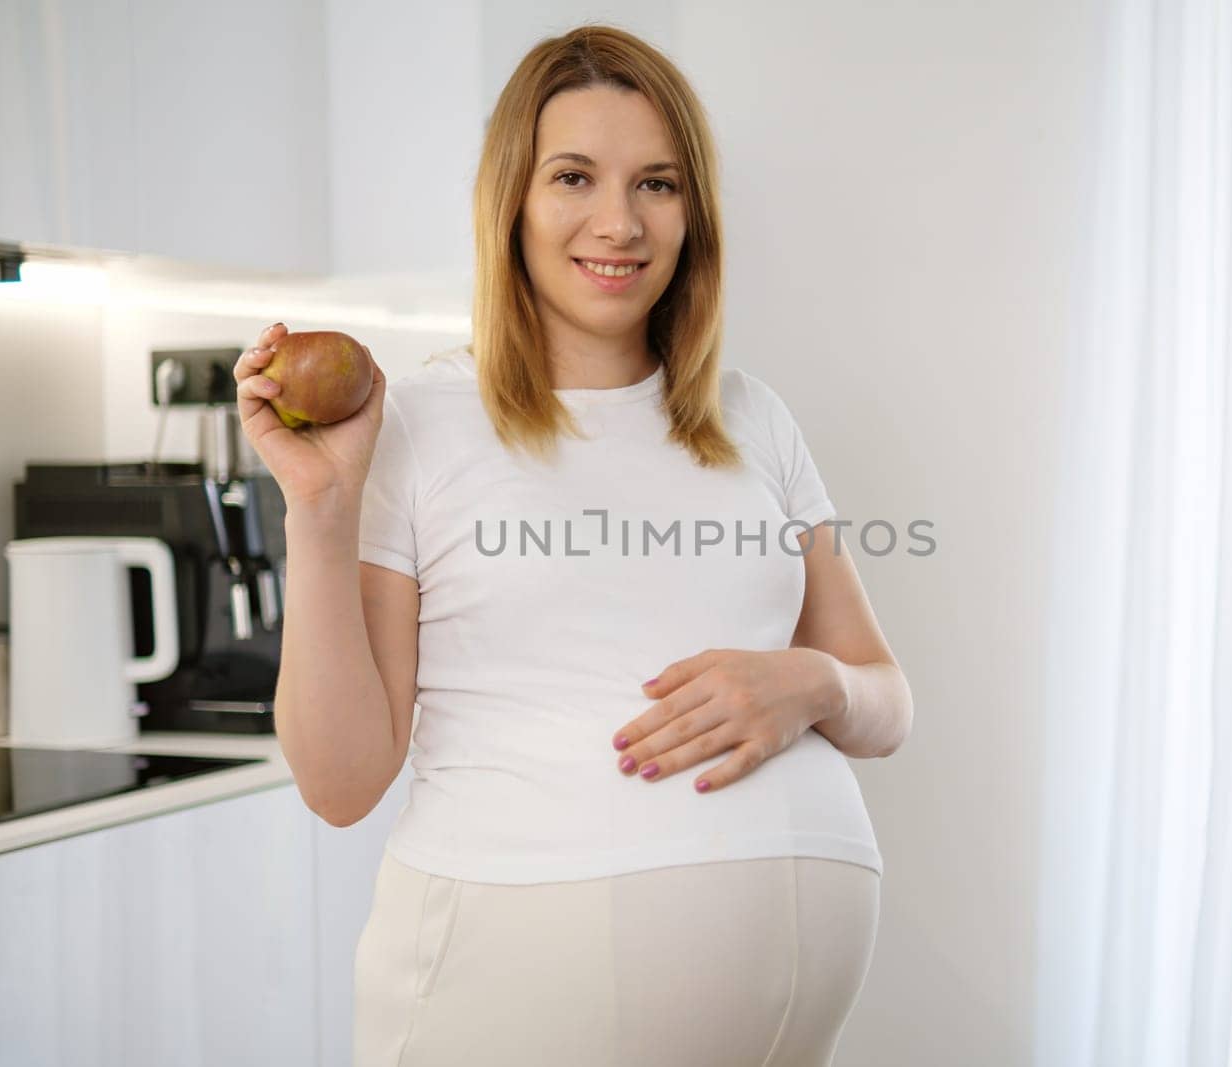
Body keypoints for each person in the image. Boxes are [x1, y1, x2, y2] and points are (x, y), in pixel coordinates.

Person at [232, 23, 913, 1067]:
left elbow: (884, 699)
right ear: (512, 199)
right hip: (496, 983)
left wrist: (811, 681)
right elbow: (341, 780)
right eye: (573, 177)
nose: (619, 220)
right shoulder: (416, 421)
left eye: (657, 183)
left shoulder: (753, 419)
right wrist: (322, 512)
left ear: (694, 213)